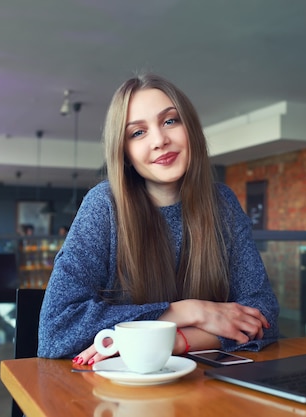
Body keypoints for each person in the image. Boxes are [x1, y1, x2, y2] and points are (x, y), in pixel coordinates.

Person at [38, 74, 279, 365]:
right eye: (137, 133)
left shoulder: (221, 203)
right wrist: (192, 311)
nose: (160, 140)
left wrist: (176, 341)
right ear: (125, 152)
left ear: (190, 128)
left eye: (170, 121)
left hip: (201, 390)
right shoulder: (104, 205)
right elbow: (57, 330)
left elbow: (262, 316)